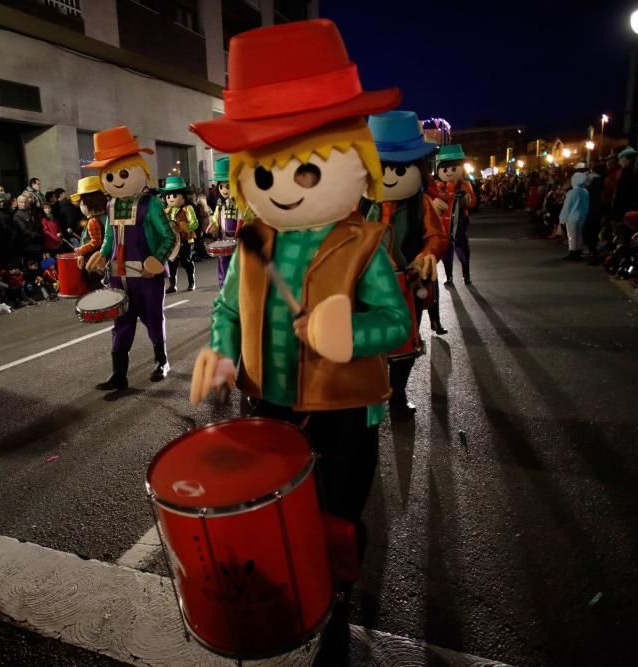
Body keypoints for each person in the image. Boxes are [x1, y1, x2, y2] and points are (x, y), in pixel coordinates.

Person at [188, 17, 410, 589]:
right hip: (267, 402)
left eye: (308, 170)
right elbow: (229, 310)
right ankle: (294, 575)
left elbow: (395, 322)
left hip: (343, 408)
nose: (283, 187)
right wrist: (221, 351)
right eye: (263, 173)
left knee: (338, 508)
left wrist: (351, 337)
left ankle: (335, 588)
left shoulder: (362, 243)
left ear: (356, 163)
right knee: (274, 504)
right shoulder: (254, 240)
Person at [366, 110, 448, 417]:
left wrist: (426, 256)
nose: (388, 176)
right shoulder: (356, 202)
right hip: (366, 285)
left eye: (399, 168)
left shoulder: (420, 203)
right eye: (381, 167)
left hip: (407, 282)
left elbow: (437, 237)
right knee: (368, 342)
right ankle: (371, 394)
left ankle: (397, 394)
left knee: (404, 345)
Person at [83, 126, 177, 389]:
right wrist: (102, 255)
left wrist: (158, 259)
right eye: (110, 175)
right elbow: (110, 239)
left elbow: (170, 236)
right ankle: (118, 374)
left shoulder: (152, 204)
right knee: (121, 323)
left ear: (140, 170)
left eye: (124, 173)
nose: (117, 180)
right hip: (117, 276)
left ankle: (162, 360)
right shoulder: (111, 205)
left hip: (146, 276)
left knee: (153, 319)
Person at [435, 144, 478, 285]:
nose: (448, 172)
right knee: (446, 252)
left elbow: (472, 202)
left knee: (462, 248)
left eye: (453, 169)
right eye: (445, 169)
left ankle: (466, 276)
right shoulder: (438, 185)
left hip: (459, 221)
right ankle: (449, 277)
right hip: (443, 223)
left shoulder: (464, 184)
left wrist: (465, 198)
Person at [207, 156, 242, 288]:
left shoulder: (242, 204)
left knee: (237, 266)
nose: (224, 190)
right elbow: (216, 219)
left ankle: (237, 290)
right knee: (223, 264)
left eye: (228, 186)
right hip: (223, 239)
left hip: (238, 240)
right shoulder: (220, 204)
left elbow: (245, 219)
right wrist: (213, 226)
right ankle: (224, 289)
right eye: (221, 186)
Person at [160, 175, 198, 293]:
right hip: (173, 241)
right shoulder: (167, 210)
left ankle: (192, 282)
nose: (171, 198)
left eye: (175, 195)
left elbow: (195, 223)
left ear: (183, 196)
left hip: (186, 239)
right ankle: (173, 285)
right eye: (168, 196)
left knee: (186, 261)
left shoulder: (188, 208)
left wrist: (187, 227)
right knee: (172, 262)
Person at [71, 176, 108, 290]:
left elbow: (95, 242)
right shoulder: (108, 216)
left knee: (94, 288)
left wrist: (80, 250)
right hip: (105, 260)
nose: (80, 207)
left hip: (93, 261)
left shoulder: (93, 220)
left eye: (81, 203)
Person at [559, 172, 590, 261]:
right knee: (579, 234)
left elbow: (567, 206)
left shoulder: (572, 193)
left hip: (572, 216)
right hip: (582, 215)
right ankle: (578, 251)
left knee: (571, 235)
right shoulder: (585, 192)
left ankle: (573, 252)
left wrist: (562, 218)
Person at [0, 191, 19, 267]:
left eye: (2, 201)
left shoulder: (6, 210)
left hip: (9, 239)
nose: (1, 204)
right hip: (1, 240)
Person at [14, 194, 44, 262]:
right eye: (21, 202)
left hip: (37, 243)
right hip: (27, 244)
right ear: (18, 203)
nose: (23, 204)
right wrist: (36, 235)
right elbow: (24, 229)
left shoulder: (31, 211)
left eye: (25, 202)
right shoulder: (17, 215)